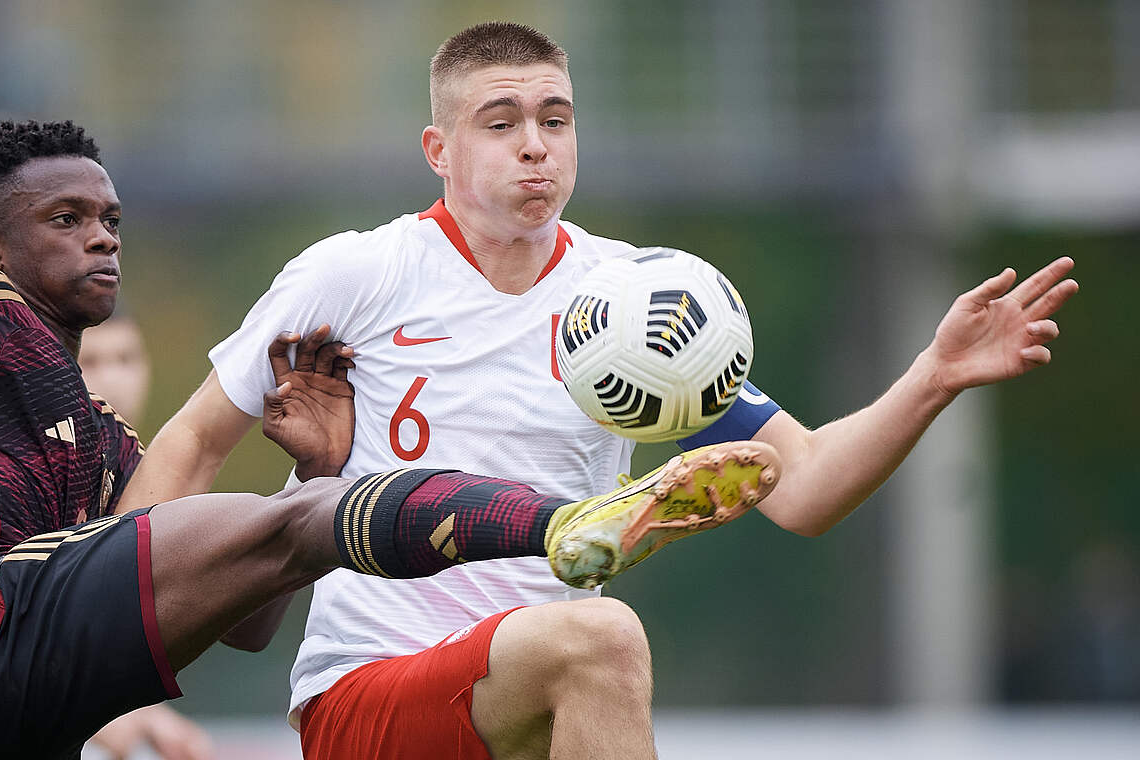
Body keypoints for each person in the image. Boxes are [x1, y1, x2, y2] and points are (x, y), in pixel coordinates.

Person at [125, 22, 1079, 760]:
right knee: (603, 637)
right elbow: (194, 443)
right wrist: (91, 647)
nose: (535, 146)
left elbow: (807, 487)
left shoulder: (641, 300)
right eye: (501, 124)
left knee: (588, 644)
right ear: (438, 148)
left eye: (556, 119)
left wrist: (937, 373)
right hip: (371, 690)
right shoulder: (358, 275)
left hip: (531, 697)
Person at [0, 119, 779, 759]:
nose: (102, 237)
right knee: (293, 519)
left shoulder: (106, 444)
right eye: (67, 217)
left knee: (289, 516)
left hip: (8, 715)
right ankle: (568, 524)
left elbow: (247, 620)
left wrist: (320, 469)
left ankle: (553, 521)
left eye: (112, 218)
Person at [77, 315, 212, 760]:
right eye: (90, 361)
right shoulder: (25, 478)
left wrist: (146, 714)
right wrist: (105, 717)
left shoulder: (165, 478)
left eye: (126, 358)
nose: (112, 377)